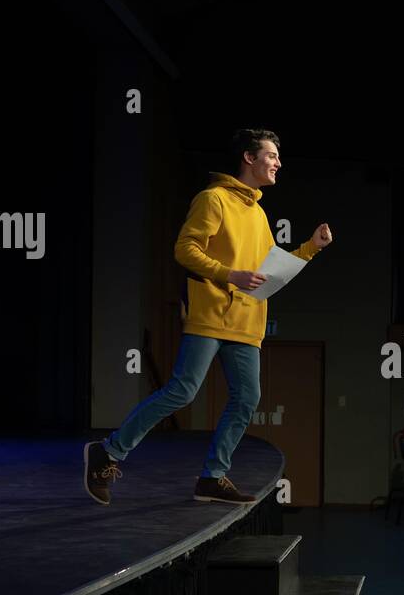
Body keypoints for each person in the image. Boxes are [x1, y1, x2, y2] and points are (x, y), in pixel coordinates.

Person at [83, 128, 332, 505]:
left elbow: (271, 268)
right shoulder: (213, 199)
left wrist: (310, 249)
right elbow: (185, 249)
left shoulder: (259, 213)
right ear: (248, 158)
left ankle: (212, 477)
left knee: (248, 397)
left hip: (247, 321)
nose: (278, 163)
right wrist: (228, 274)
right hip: (213, 313)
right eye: (271, 155)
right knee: (183, 391)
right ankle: (109, 451)